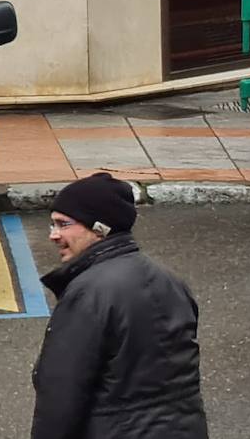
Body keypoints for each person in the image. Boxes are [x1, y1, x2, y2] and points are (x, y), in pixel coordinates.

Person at [32, 173, 208, 438]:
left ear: (100, 227)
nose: (54, 235)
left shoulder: (88, 293)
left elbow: (62, 392)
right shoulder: (170, 281)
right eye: (52, 225)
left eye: (63, 224)